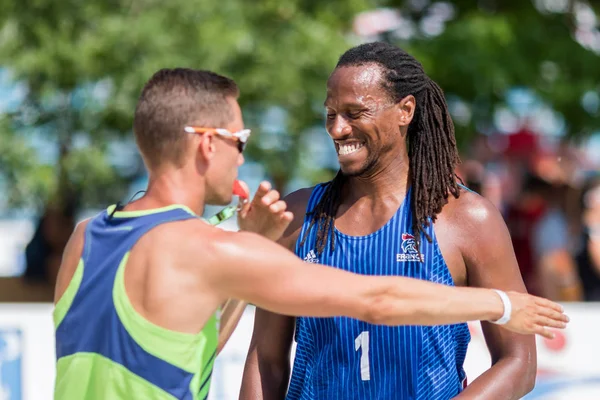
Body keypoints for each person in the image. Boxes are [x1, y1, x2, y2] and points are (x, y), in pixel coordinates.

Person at [52, 68, 567, 400]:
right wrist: (498, 304)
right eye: (240, 139)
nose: (244, 154)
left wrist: (244, 249)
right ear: (208, 145)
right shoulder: (213, 247)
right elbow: (378, 300)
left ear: (405, 112)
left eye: (353, 113)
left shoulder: (85, 237)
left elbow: (187, 348)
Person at [240, 42, 556, 400]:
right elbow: (266, 359)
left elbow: (518, 362)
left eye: (355, 112)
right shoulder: (296, 216)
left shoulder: (467, 218)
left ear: (405, 110)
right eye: (330, 113)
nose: (337, 129)